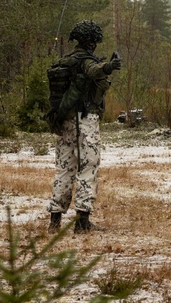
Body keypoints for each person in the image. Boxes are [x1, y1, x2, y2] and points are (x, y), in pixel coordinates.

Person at [48, 20, 121, 233]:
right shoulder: (84, 61)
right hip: (84, 120)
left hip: (65, 122)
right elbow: (95, 71)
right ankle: (82, 222)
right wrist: (109, 66)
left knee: (64, 169)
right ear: (91, 42)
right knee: (87, 167)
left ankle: (54, 222)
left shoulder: (65, 60)